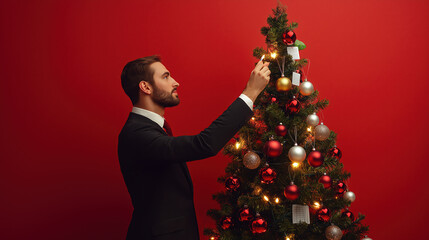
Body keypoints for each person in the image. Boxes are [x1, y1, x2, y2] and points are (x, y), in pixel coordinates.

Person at [118, 55, 270, 240]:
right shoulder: (137, 134)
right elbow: (203, 144)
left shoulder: (148, 129)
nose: (176, 82)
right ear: (146, 87)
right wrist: (250, 92)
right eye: (166, 77)